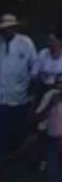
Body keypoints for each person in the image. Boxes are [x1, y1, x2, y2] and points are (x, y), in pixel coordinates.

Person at [0, 13, 36, 154]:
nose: (7, 31)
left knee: (19, 128)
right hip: (2, 95)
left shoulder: (26, 43)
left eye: (10, 28)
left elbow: (34, 66)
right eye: (4, 29)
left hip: (20, 94)